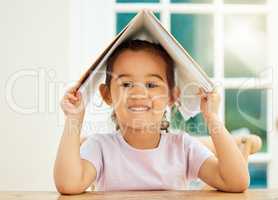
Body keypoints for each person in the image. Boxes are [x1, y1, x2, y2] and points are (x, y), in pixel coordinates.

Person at [54, 40, 250, 194]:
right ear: (107, 95)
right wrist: (74, 118)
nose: (138, 94)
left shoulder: (183, 147)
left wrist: (212, 118)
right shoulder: (100, 148)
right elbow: (68, 185)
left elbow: (236, 181)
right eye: (126, 84)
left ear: (173, 96)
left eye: (151, 85)